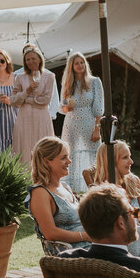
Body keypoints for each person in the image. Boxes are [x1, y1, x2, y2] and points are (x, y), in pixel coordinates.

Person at [27, 136, 140, 276]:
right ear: (47, 161)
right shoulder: (40, 193)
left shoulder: (65, 187)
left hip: (100, 240)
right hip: (82, 250)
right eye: (63, 158)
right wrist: (88, 236)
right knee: (139, 232)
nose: (69, 161)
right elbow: (50, 233)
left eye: (69, 157)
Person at [60, 53, 104, 193]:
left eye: (82, 62)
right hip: (71, 123)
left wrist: (97, 128)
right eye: (77, 63)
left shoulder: (95, 81)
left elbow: (99, 107)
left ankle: (96, 187)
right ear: (71, 67)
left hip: (89, 121)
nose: (80, 65)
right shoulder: (67, 83)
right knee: (70, 155)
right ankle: (71, 191)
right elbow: (63, 106)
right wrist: (67, 108)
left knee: (94, 154)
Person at [9, 44, 56, 167]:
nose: (30, 61)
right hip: (23, 118)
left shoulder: (49, 77)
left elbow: (46, 100)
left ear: (40, 59)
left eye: (33, 58)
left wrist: (26, 99)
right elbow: (13, 100)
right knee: (23, 148)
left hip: (41, 118)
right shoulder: (20, 77)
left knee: (42, 147)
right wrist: (27, 91)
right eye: (27, 59)